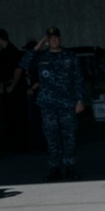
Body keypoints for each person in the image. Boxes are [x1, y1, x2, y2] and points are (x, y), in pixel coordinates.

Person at [26, 26, 84, 181]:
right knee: (51, 137)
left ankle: (70, 167)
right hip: (48, 105)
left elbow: (78, 79)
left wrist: (79, 100)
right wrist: (39, 45)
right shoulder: (41, 57)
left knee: (69, 136)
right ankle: (54, 168)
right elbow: (25, 62)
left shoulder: (69, 56)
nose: (54, 41)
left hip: (67, 103)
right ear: (47, 41)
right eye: (50, 39)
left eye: (56, 38)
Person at [0, 28, 27, 152]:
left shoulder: (12, 52)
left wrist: (12, 85)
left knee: (16, 115)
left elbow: (18, 69)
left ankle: (20, 143)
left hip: (13, 87)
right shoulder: (4, 52)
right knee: (8, 115)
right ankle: (14, 142)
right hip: (7, 86)